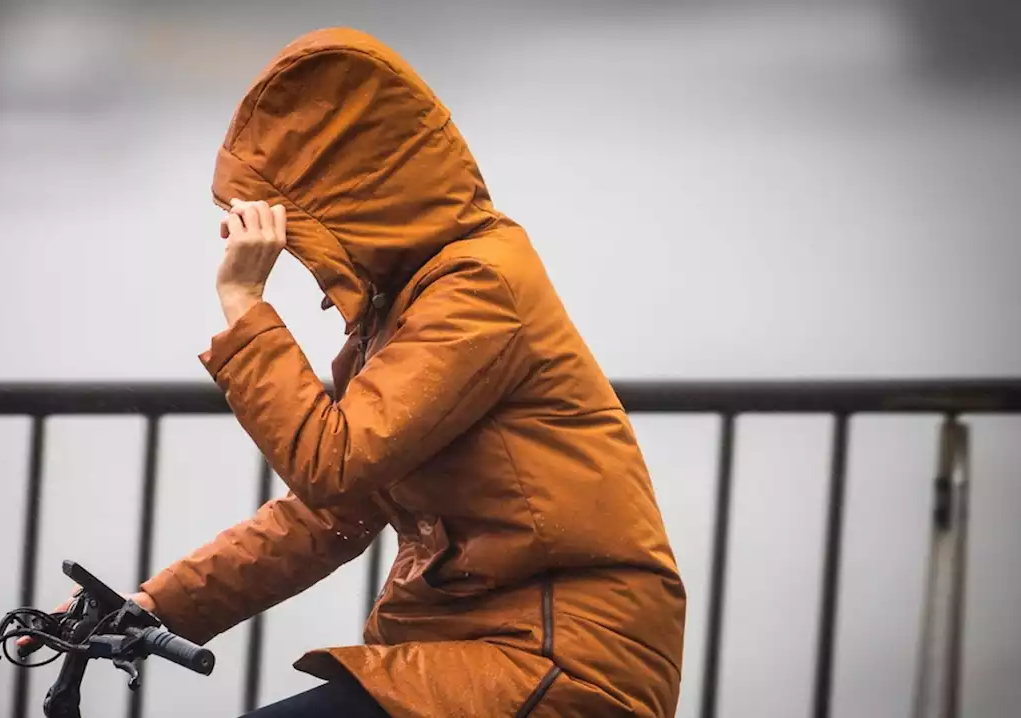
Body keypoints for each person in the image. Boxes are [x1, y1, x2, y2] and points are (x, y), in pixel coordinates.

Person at [50, 27, 686, 717]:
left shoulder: (479, 287)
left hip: (561, 665)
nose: (302, 258)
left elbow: (335, 464)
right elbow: (328, 517)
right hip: (474, 654)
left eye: (299, 231)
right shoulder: (402, 315)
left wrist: (243, 303)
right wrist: (147, 606)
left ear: (351, 202)